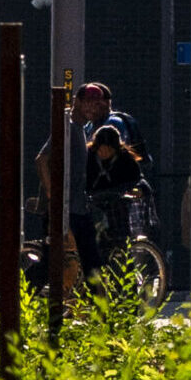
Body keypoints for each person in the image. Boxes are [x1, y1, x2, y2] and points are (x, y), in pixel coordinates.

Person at [39, 82, 145, 282]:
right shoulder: (69, 128)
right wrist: (53, 195)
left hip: (79, 210)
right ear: (76, 101)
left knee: (92, 267)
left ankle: (101, 310)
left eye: (96, 104)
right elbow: (41, 159)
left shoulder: (80, 129)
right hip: (66, 210)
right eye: (87, 102)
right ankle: (8, 303)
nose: (92, 108)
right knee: (52, 266)